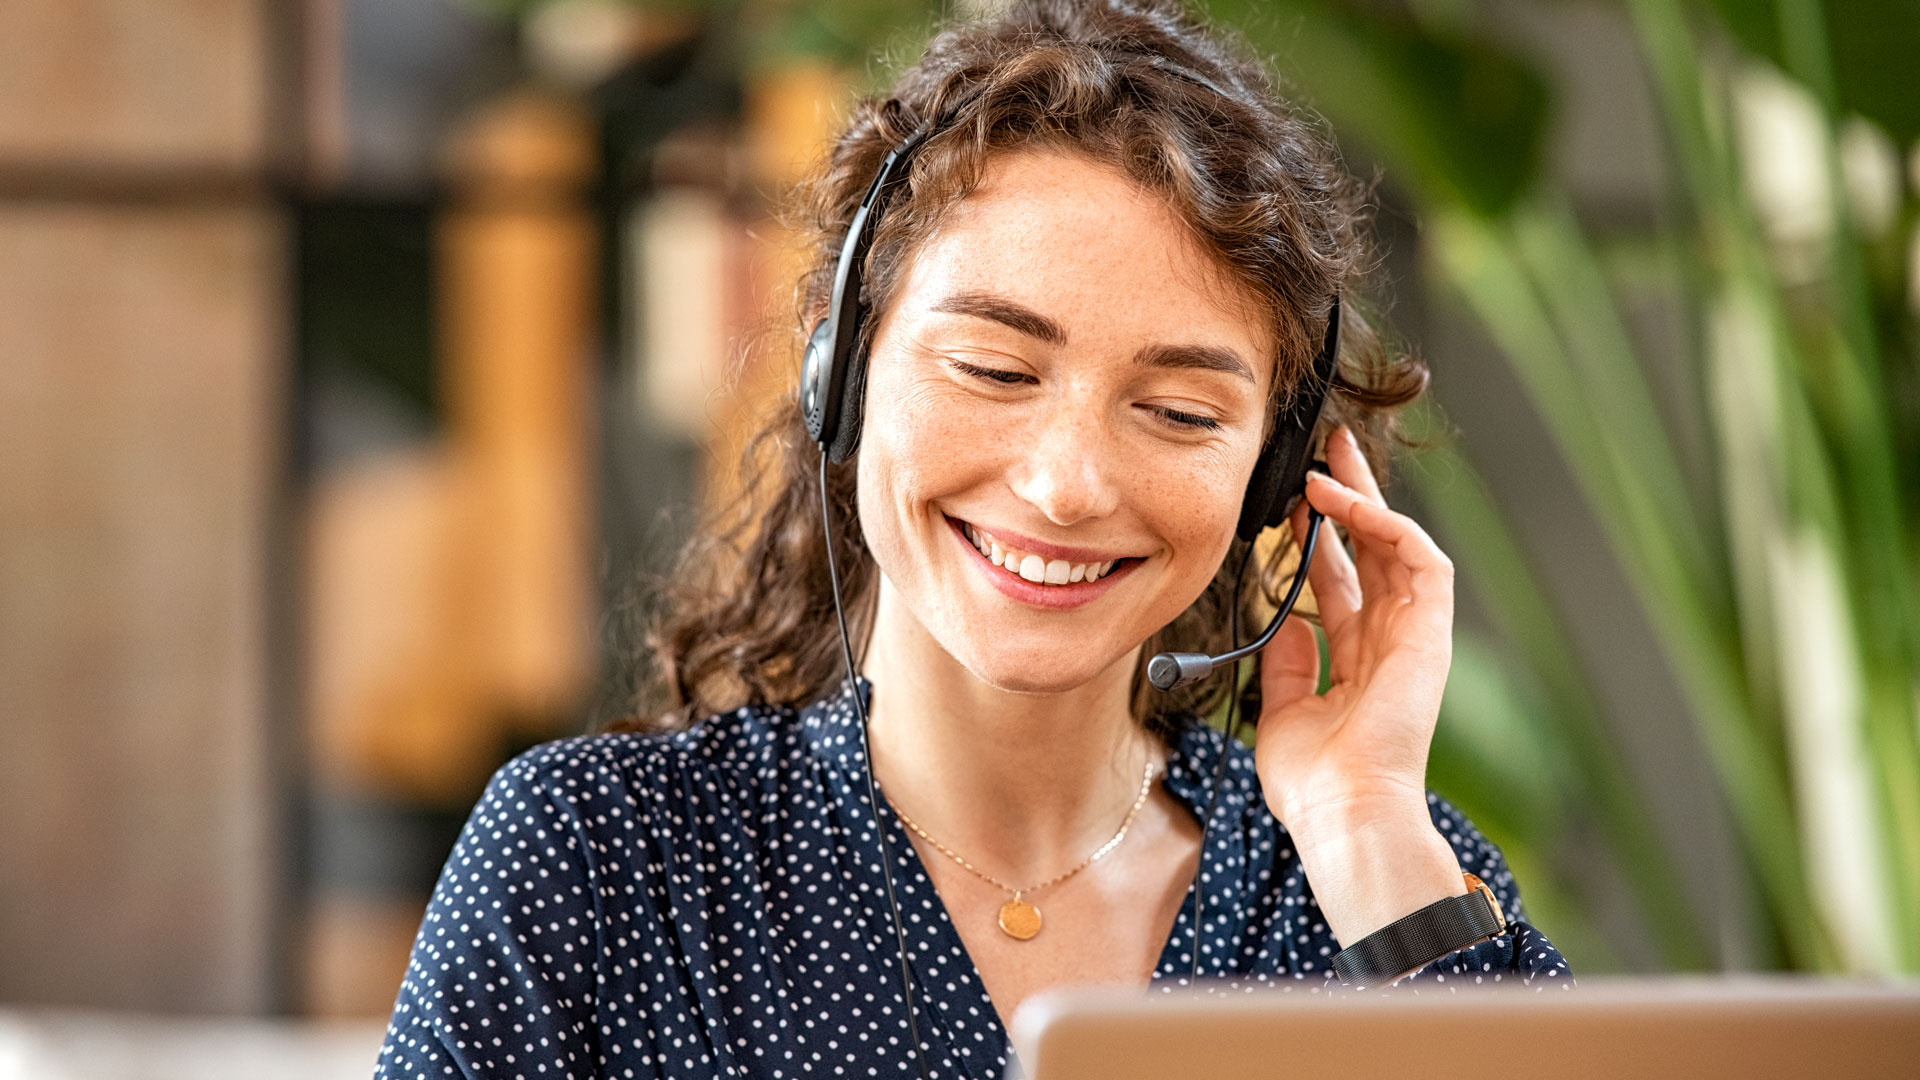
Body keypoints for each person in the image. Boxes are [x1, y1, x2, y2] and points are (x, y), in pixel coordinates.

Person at [374, 1, 1571, 1076]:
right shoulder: (602, 863)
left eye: (1180, 412)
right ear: (842, 376)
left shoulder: (1371, 879)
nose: (1065, 485)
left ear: (1269, 473)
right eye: (996, 367)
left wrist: (1368, 831)